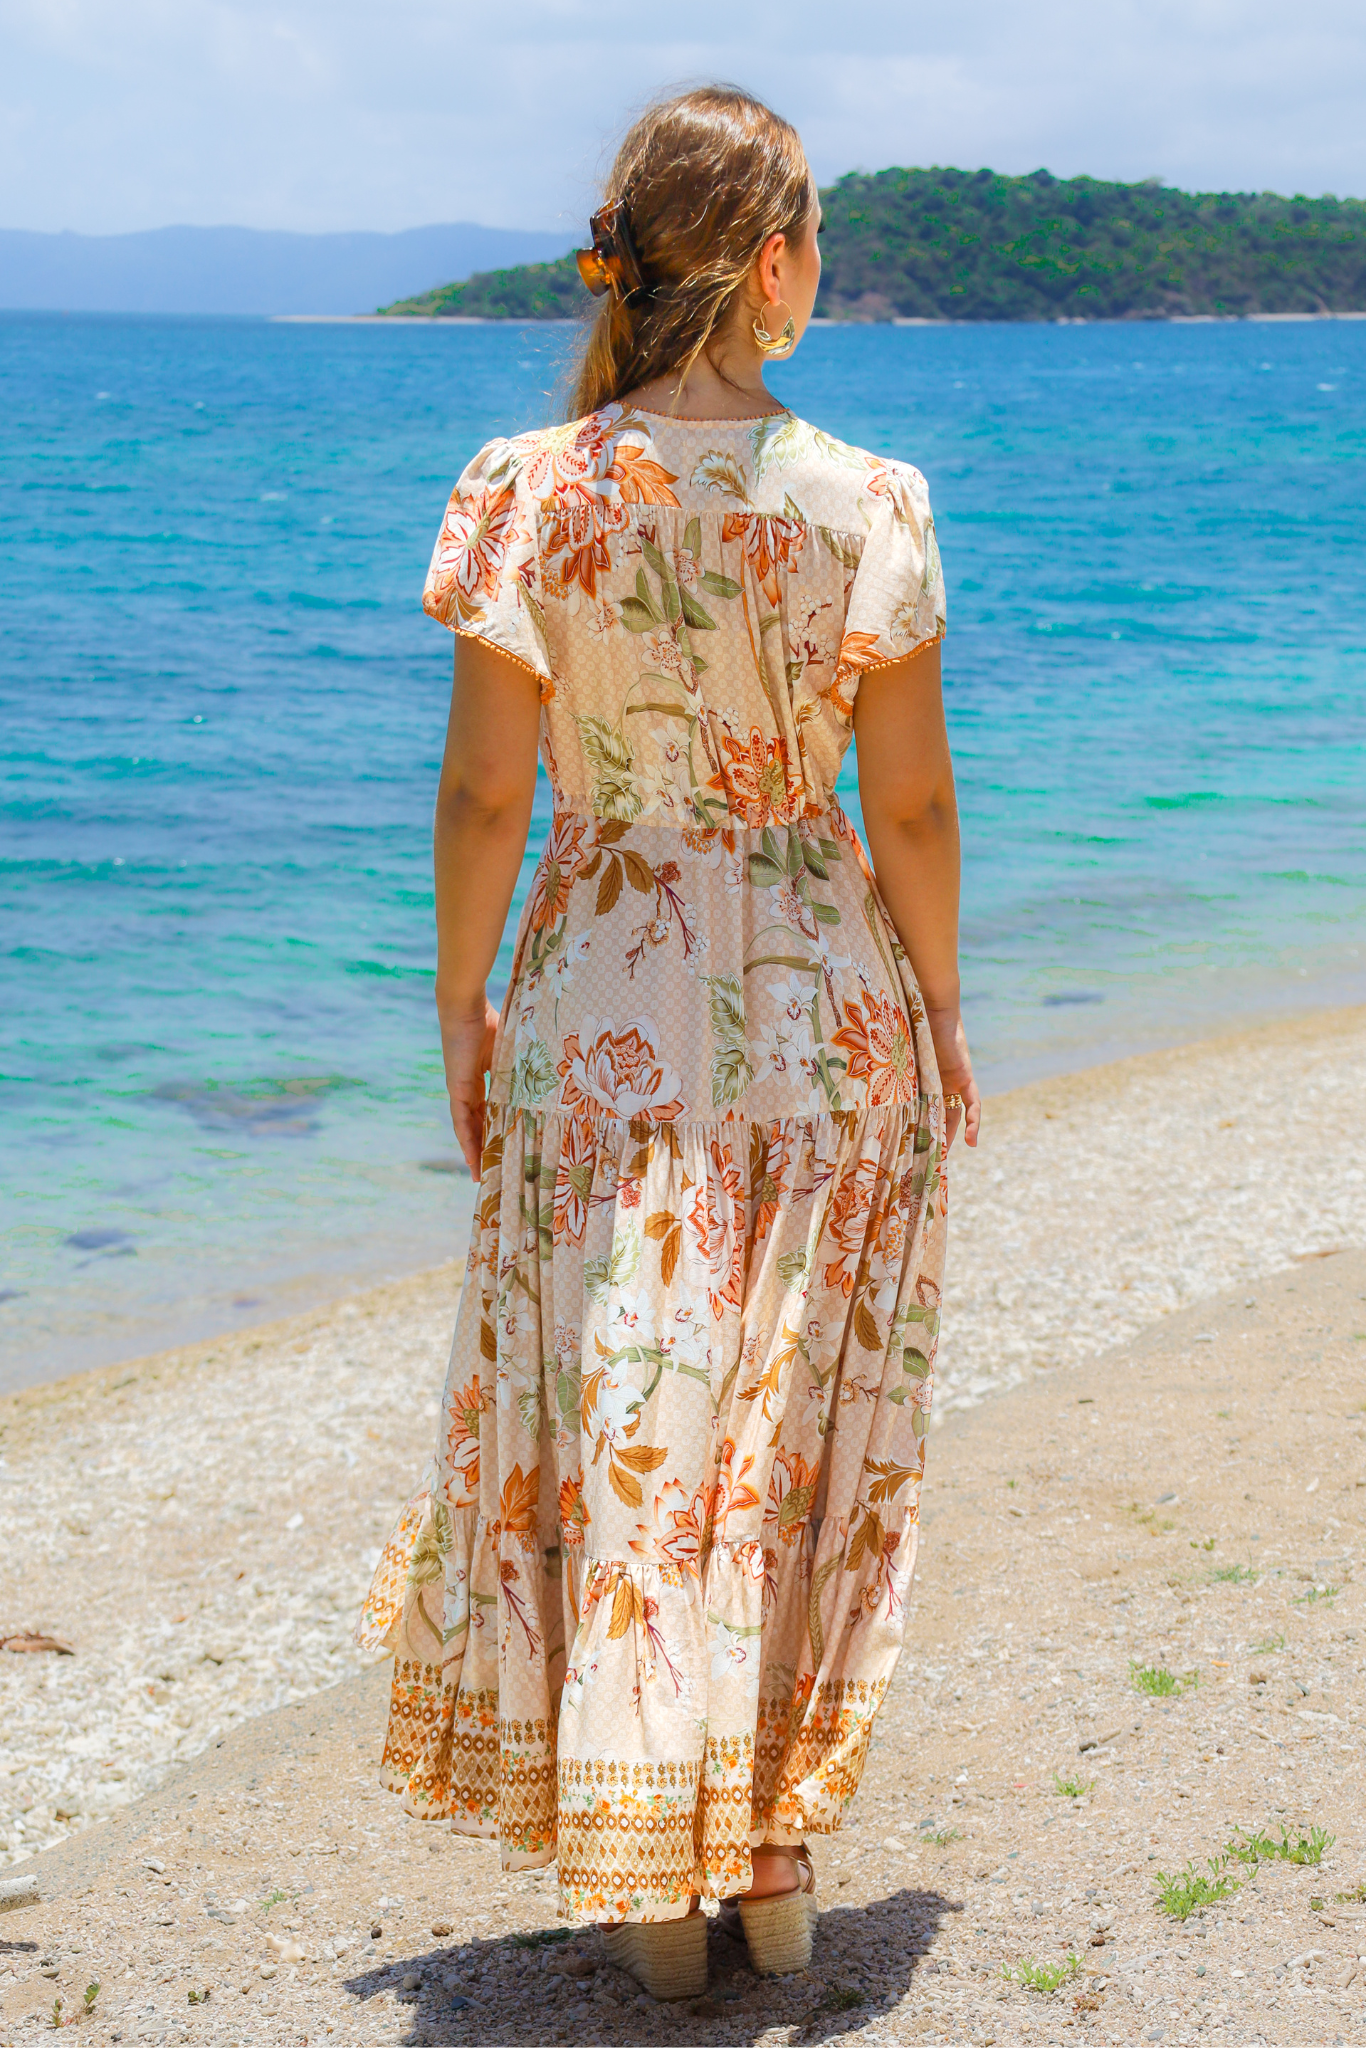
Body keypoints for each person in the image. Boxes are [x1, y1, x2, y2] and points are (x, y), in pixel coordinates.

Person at [356, 83, 981, 2000]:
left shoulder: (522, 488)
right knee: (794, 1422)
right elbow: (916, 814)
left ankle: (648, 1881)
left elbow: (482, 799)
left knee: (633, 1415)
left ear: (623, 262)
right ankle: (772, 1844)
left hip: (600, 1005)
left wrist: (459, 1002)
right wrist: (944, 1010)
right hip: (824, 1008)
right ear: (779, 262)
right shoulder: (865, 502)